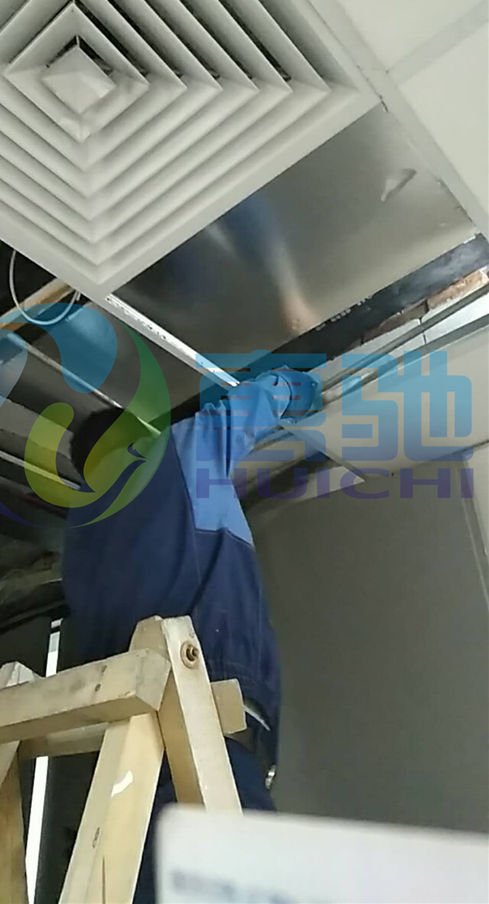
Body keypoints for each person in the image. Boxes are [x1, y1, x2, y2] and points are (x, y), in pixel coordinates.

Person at [63, 367, 321, 900]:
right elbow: (248, 407)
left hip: (126, 756)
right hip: (203, 724)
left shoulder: (78, 535)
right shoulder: (177, 454)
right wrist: (302, 389)